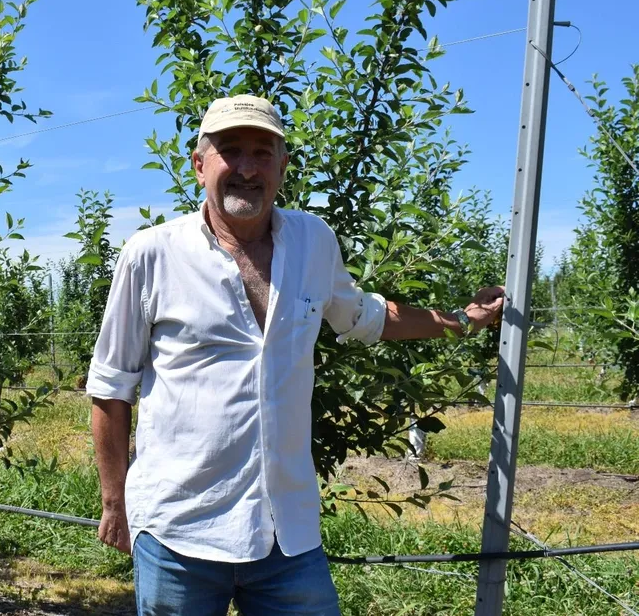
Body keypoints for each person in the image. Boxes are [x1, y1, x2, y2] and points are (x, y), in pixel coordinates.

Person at [87, 94, 504, 615]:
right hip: (179, 531)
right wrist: (115, 502)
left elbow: (365, 316)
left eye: (263, 153)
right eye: (230, 150)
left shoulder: (313, 241)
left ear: (283, 167)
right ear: (199, 165)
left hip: (287, 535)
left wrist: (460, 320)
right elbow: (111, 386)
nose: (247, 168)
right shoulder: (151, 254)